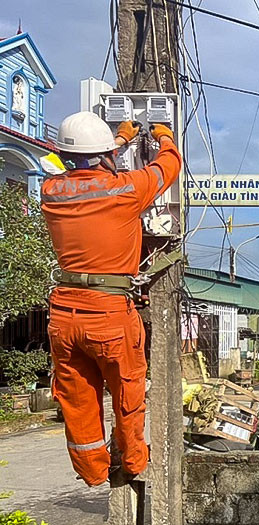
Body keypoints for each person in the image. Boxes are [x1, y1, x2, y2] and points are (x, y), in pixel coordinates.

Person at [42, 111, 182, 486]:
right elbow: (168, 167)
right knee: (127, 389)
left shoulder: (51, 192)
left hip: (64, 312)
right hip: (108, 312)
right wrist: (164, 136)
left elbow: (89, 173)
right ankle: (134, 461)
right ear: (104, 153)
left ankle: (92, 471)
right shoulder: (129, 189)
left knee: (77, 399)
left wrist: (119, 141)